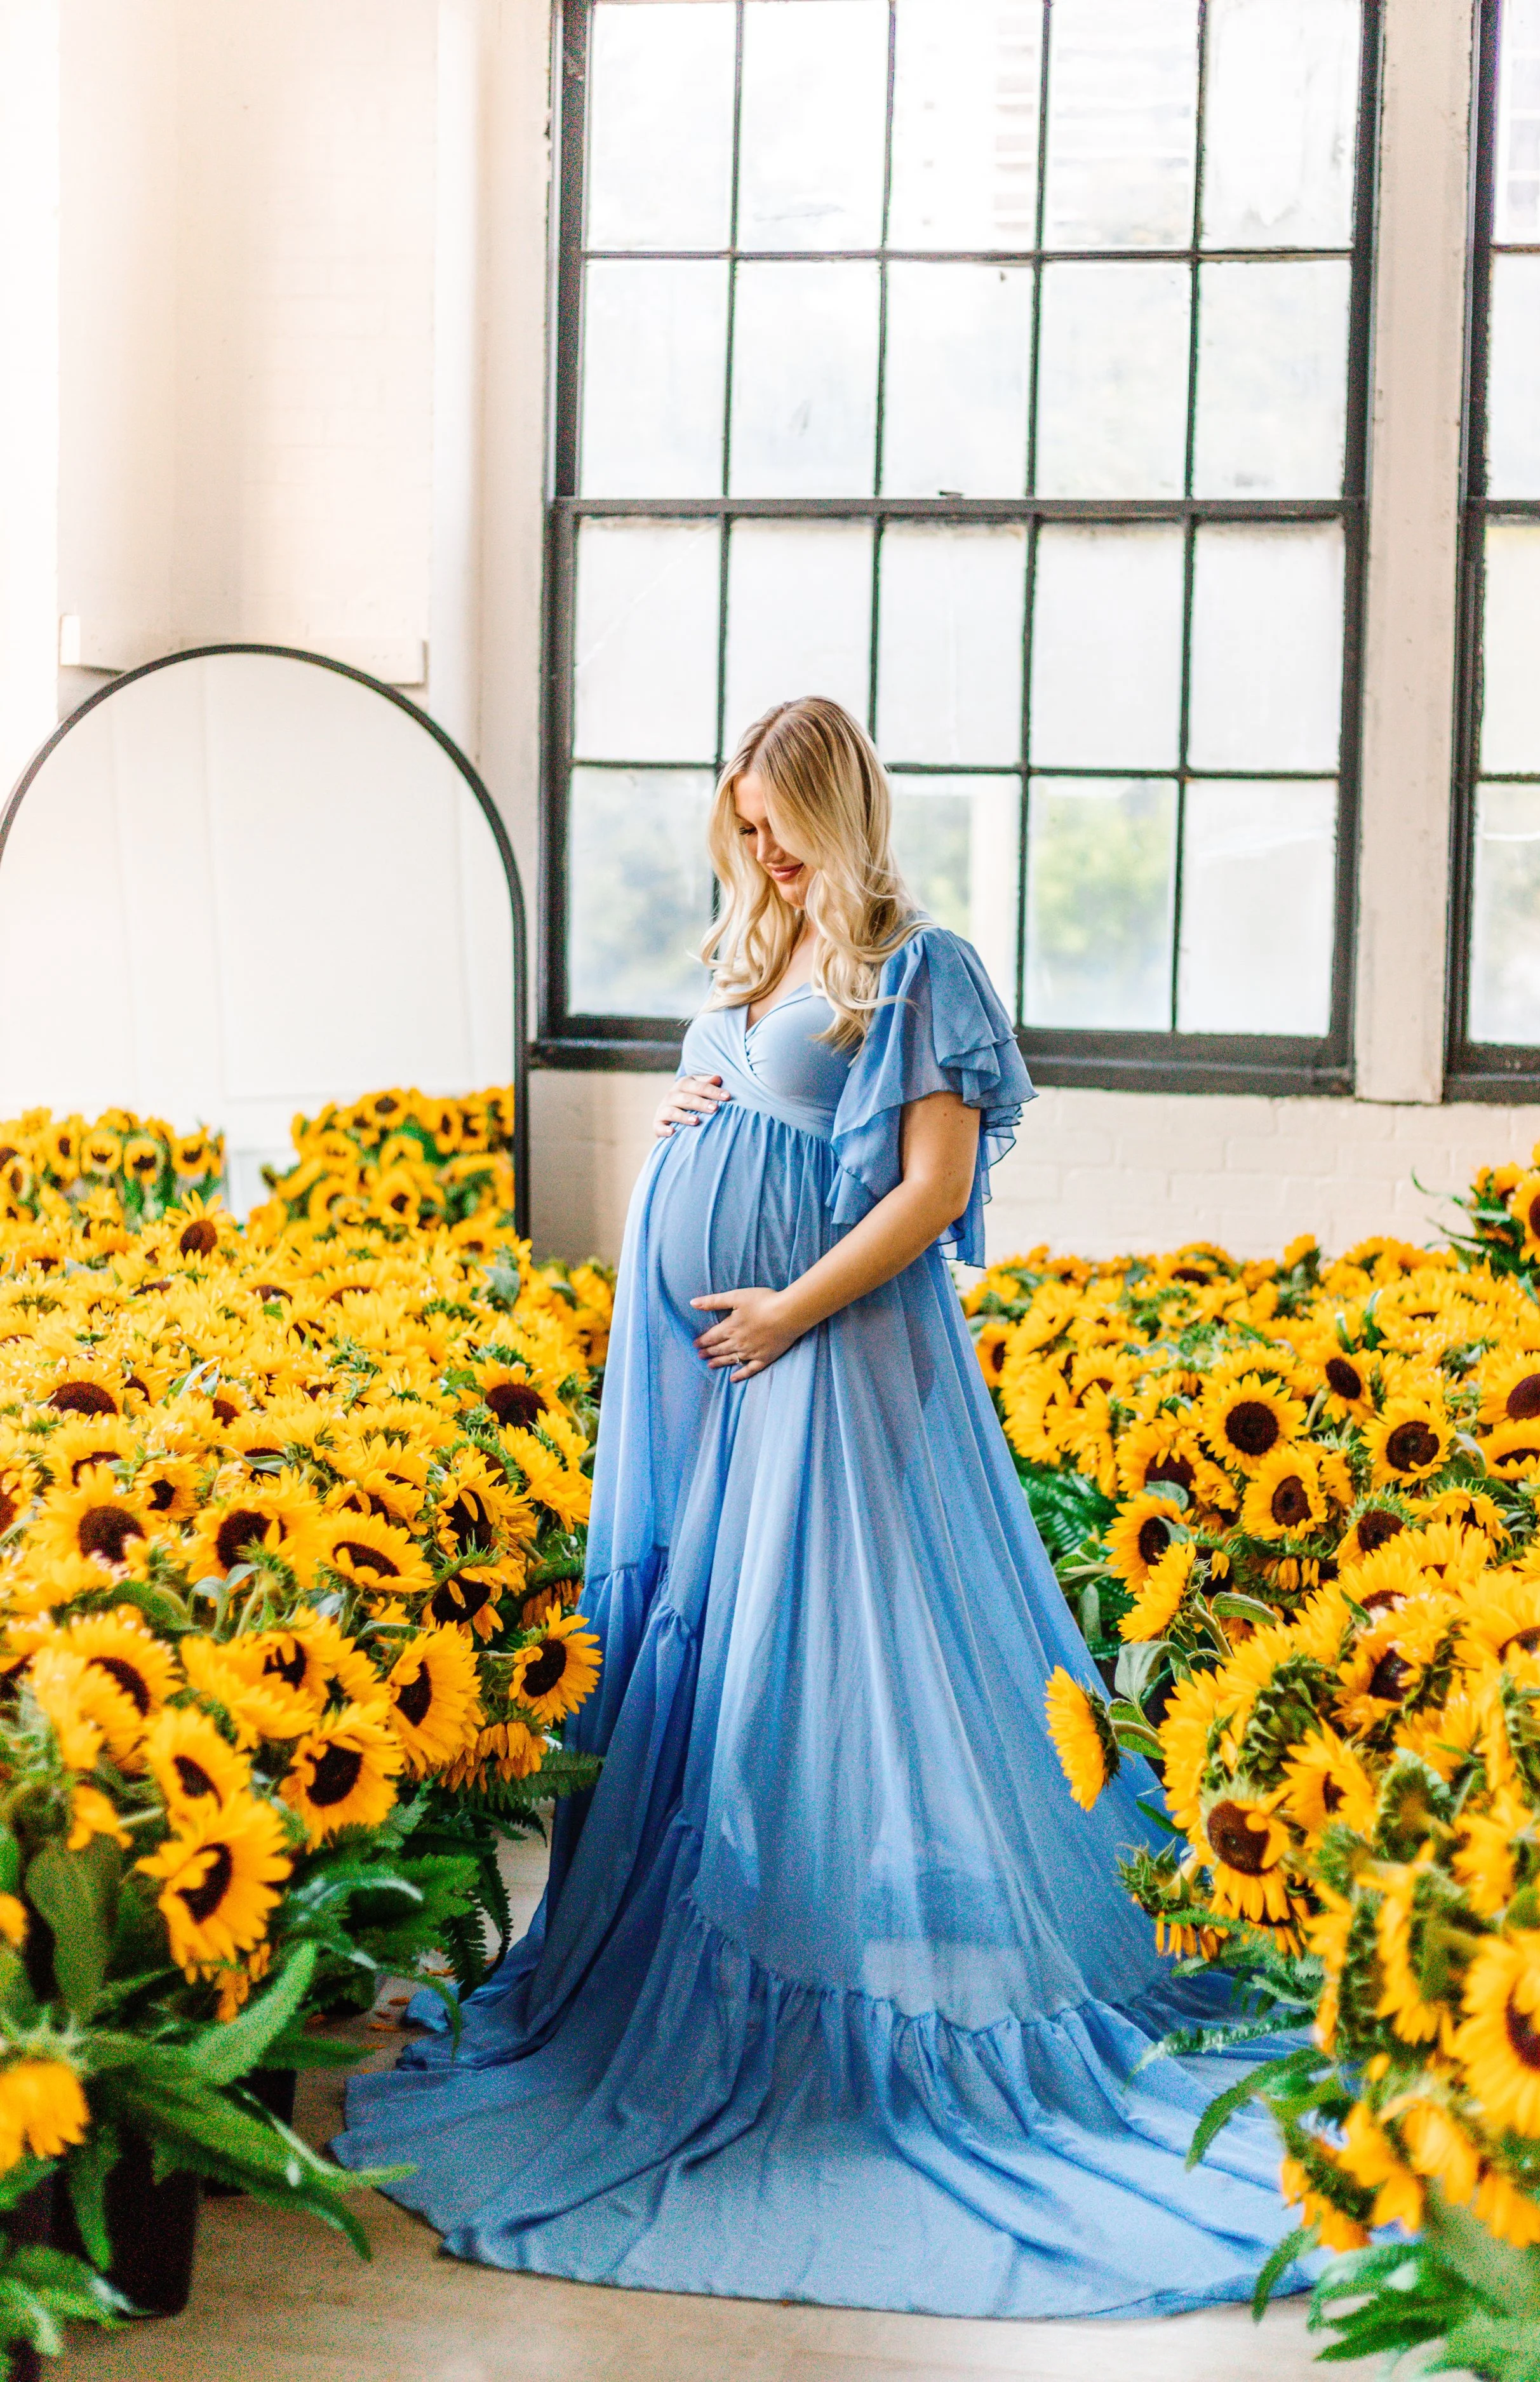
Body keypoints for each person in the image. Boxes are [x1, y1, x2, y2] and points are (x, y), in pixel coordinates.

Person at [337, 697, 1301, 2319]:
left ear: (836, 808)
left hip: (824, 1347)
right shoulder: (758, 942)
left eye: (778, 824)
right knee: (713, 1649)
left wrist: (786, 1307)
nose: (760, 850)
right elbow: (735, 1096)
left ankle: (792, 1998)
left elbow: (932, 1191)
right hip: (712, 1370)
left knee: (809, 1657)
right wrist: (688, 1118)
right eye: (743, 826)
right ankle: (700, 1952)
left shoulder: (920, 967)